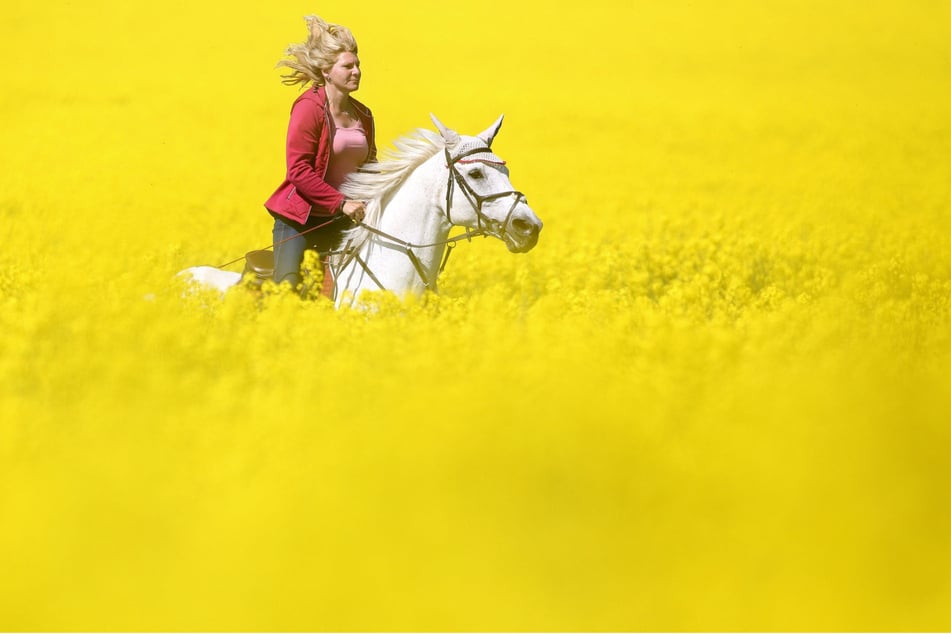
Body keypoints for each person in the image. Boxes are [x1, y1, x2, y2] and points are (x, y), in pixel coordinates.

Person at [263, 15, 377, 293]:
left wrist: (374, 197)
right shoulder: (309, 108)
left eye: (358, 65)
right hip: (301, 220)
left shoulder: (364, 114)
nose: (356, 71)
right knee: (288, 290)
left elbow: (371, 165)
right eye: (347, 66)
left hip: (344, 220)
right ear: (327, 71)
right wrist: (341, 203)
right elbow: (298, 170)